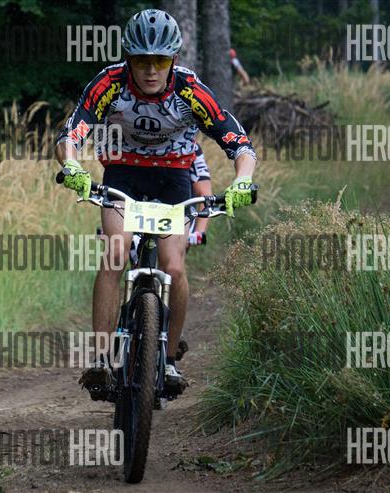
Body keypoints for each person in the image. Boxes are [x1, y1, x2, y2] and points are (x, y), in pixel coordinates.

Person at [54, 9, 257, 397]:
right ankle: (101, 359)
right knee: (116, 252)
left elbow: (239, 143)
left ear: (174, 60)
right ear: (128, 58)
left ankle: (169, 360)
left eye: (160, 62)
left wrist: (242, 181)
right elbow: (71, 134)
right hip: (123, 175)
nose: (151, 70)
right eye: (142, 60)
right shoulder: (110, 82)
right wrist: (72, 166)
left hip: (173, 179)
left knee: (174, 266)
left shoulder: (190, 90)